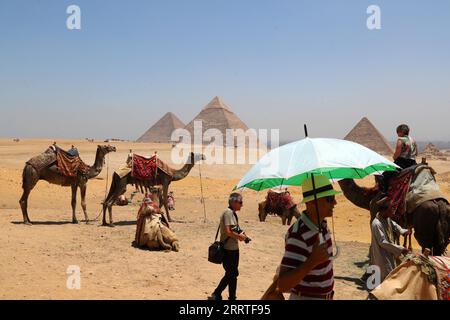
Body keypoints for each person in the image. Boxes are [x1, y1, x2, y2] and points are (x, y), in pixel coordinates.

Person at [277, 175, 340, 300]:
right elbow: (282, 284)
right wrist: (312, 261)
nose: (335, 203)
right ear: (312, 203)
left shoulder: (322, 226)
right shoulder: (298, 234)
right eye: (329, 198)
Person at [208, 192, 249, 300]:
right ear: (233, 202)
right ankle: (216, 293)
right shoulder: (228, 213)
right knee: (232, 273)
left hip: (234, 249)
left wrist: (243, 235)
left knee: (232, 273)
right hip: (228, 249)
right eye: (240, 202)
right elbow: (228, 231)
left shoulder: (232, 213)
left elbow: (234, 229)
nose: (242, 205)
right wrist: (239, 237)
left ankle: (231, 297)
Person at [369, 196, 411, 282]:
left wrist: (403, 231)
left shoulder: (386, 218)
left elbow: (394, 225)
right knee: (383, 279)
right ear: (383, 211)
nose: (393, 211)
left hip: (389, 253)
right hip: (382, 256)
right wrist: (401, 249)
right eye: (390, 209)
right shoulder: (377, 224)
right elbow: (383, 242)